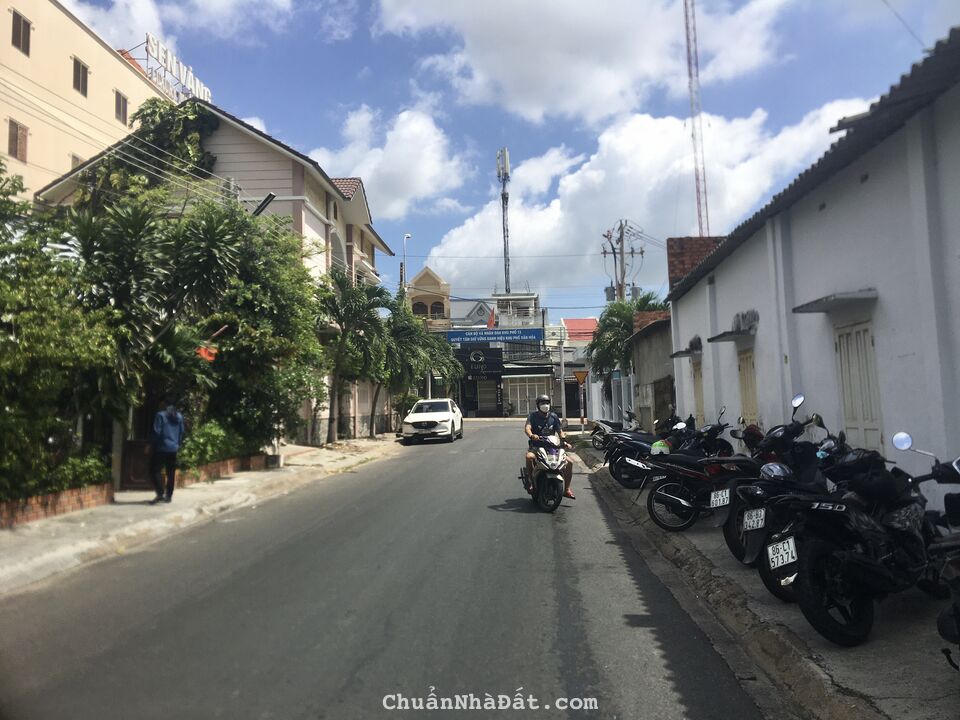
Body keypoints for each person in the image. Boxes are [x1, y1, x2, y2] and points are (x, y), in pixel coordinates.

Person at [524, 394, 575, 499]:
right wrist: (532, 435)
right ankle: (531, 482)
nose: (545, 405)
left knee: (569, 462)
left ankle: (566, 489)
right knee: (529, 457)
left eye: (547, 403)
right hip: (537, 446)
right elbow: (527, 428)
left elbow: (559, 430)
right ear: (538, 405)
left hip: (552, 447)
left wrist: (563, 439)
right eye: (543, 403)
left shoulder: (553, 416)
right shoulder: (532, 416)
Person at [150, 397, 185, 504]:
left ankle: (160, 493)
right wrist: (177, 444)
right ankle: (168, 496)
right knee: (170, 473)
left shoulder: (160, 415)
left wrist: (150, 444)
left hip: (161, 447)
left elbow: (157, 432)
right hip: (173, 448)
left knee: (154, 470)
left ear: (164, 404)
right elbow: (181, 432)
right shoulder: (179, 416)